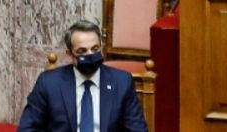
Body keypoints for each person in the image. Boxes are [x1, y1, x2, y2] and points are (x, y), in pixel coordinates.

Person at [17, 19, 148, 132]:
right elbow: (28, 128)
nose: (90, 55)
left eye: (95, 49)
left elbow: (137, 129)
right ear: (69, 53)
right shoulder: (49, 83)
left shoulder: (122, 82)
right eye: (82, 51)